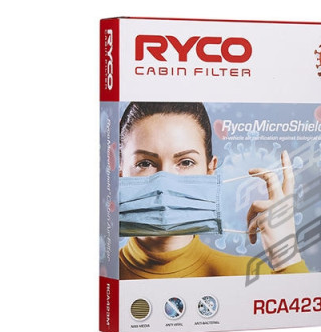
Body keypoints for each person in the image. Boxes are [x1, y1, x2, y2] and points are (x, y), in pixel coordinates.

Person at [118, 101, 307, 279]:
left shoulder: (244, 274)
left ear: (210, 169)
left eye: (186, 162)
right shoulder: (105, 275)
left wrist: (286, 254)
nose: (165, 182)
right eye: (145, 163)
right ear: (120, 172)